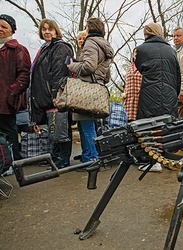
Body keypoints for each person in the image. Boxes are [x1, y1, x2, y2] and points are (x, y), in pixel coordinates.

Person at [135, 23, 181, 172]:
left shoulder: (140, 49)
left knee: (148, 127)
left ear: (146, 33)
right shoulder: (171, 50)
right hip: (169, 93)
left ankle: (153, 161)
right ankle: (168, 158)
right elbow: (177, 75)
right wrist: (175, 93)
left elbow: (139, 69)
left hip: (149, 93)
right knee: (166, 126)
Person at [67, 17, 114, 163]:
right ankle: (88, 155)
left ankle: (92, 159)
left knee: (86, 128)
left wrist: (72, 66)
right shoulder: (104, 45)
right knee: (89, 126)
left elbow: (88, 66)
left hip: (86, 90)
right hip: (97, 89)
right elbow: (106, 77)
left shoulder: (90, 43)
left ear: (89, 28)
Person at [30, 19, 74, 168]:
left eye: (50, 29)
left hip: (56, 96)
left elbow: (59, 72)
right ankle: (56, 159)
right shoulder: (45, 48)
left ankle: (62, 160)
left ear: (56, 31)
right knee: (55, 128)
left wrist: (56, 94)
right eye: (44, 29)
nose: (47, 32)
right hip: (47, 97)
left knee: (61, 128)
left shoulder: (60, 47)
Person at [0, 14, 31, 161]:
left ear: (12, 30)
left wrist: (10, 94)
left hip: (6, 102)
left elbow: (24, 76)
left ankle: (13, 162)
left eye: (4, 27)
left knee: (9, 131)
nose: (0, 29)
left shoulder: (18, 50)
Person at [123, 49, 142, 122]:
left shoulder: (144, 67)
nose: (136, 54)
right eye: (135, 52)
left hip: (139, 100)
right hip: (128, 100)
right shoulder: (129, 67)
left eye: (138, 52)